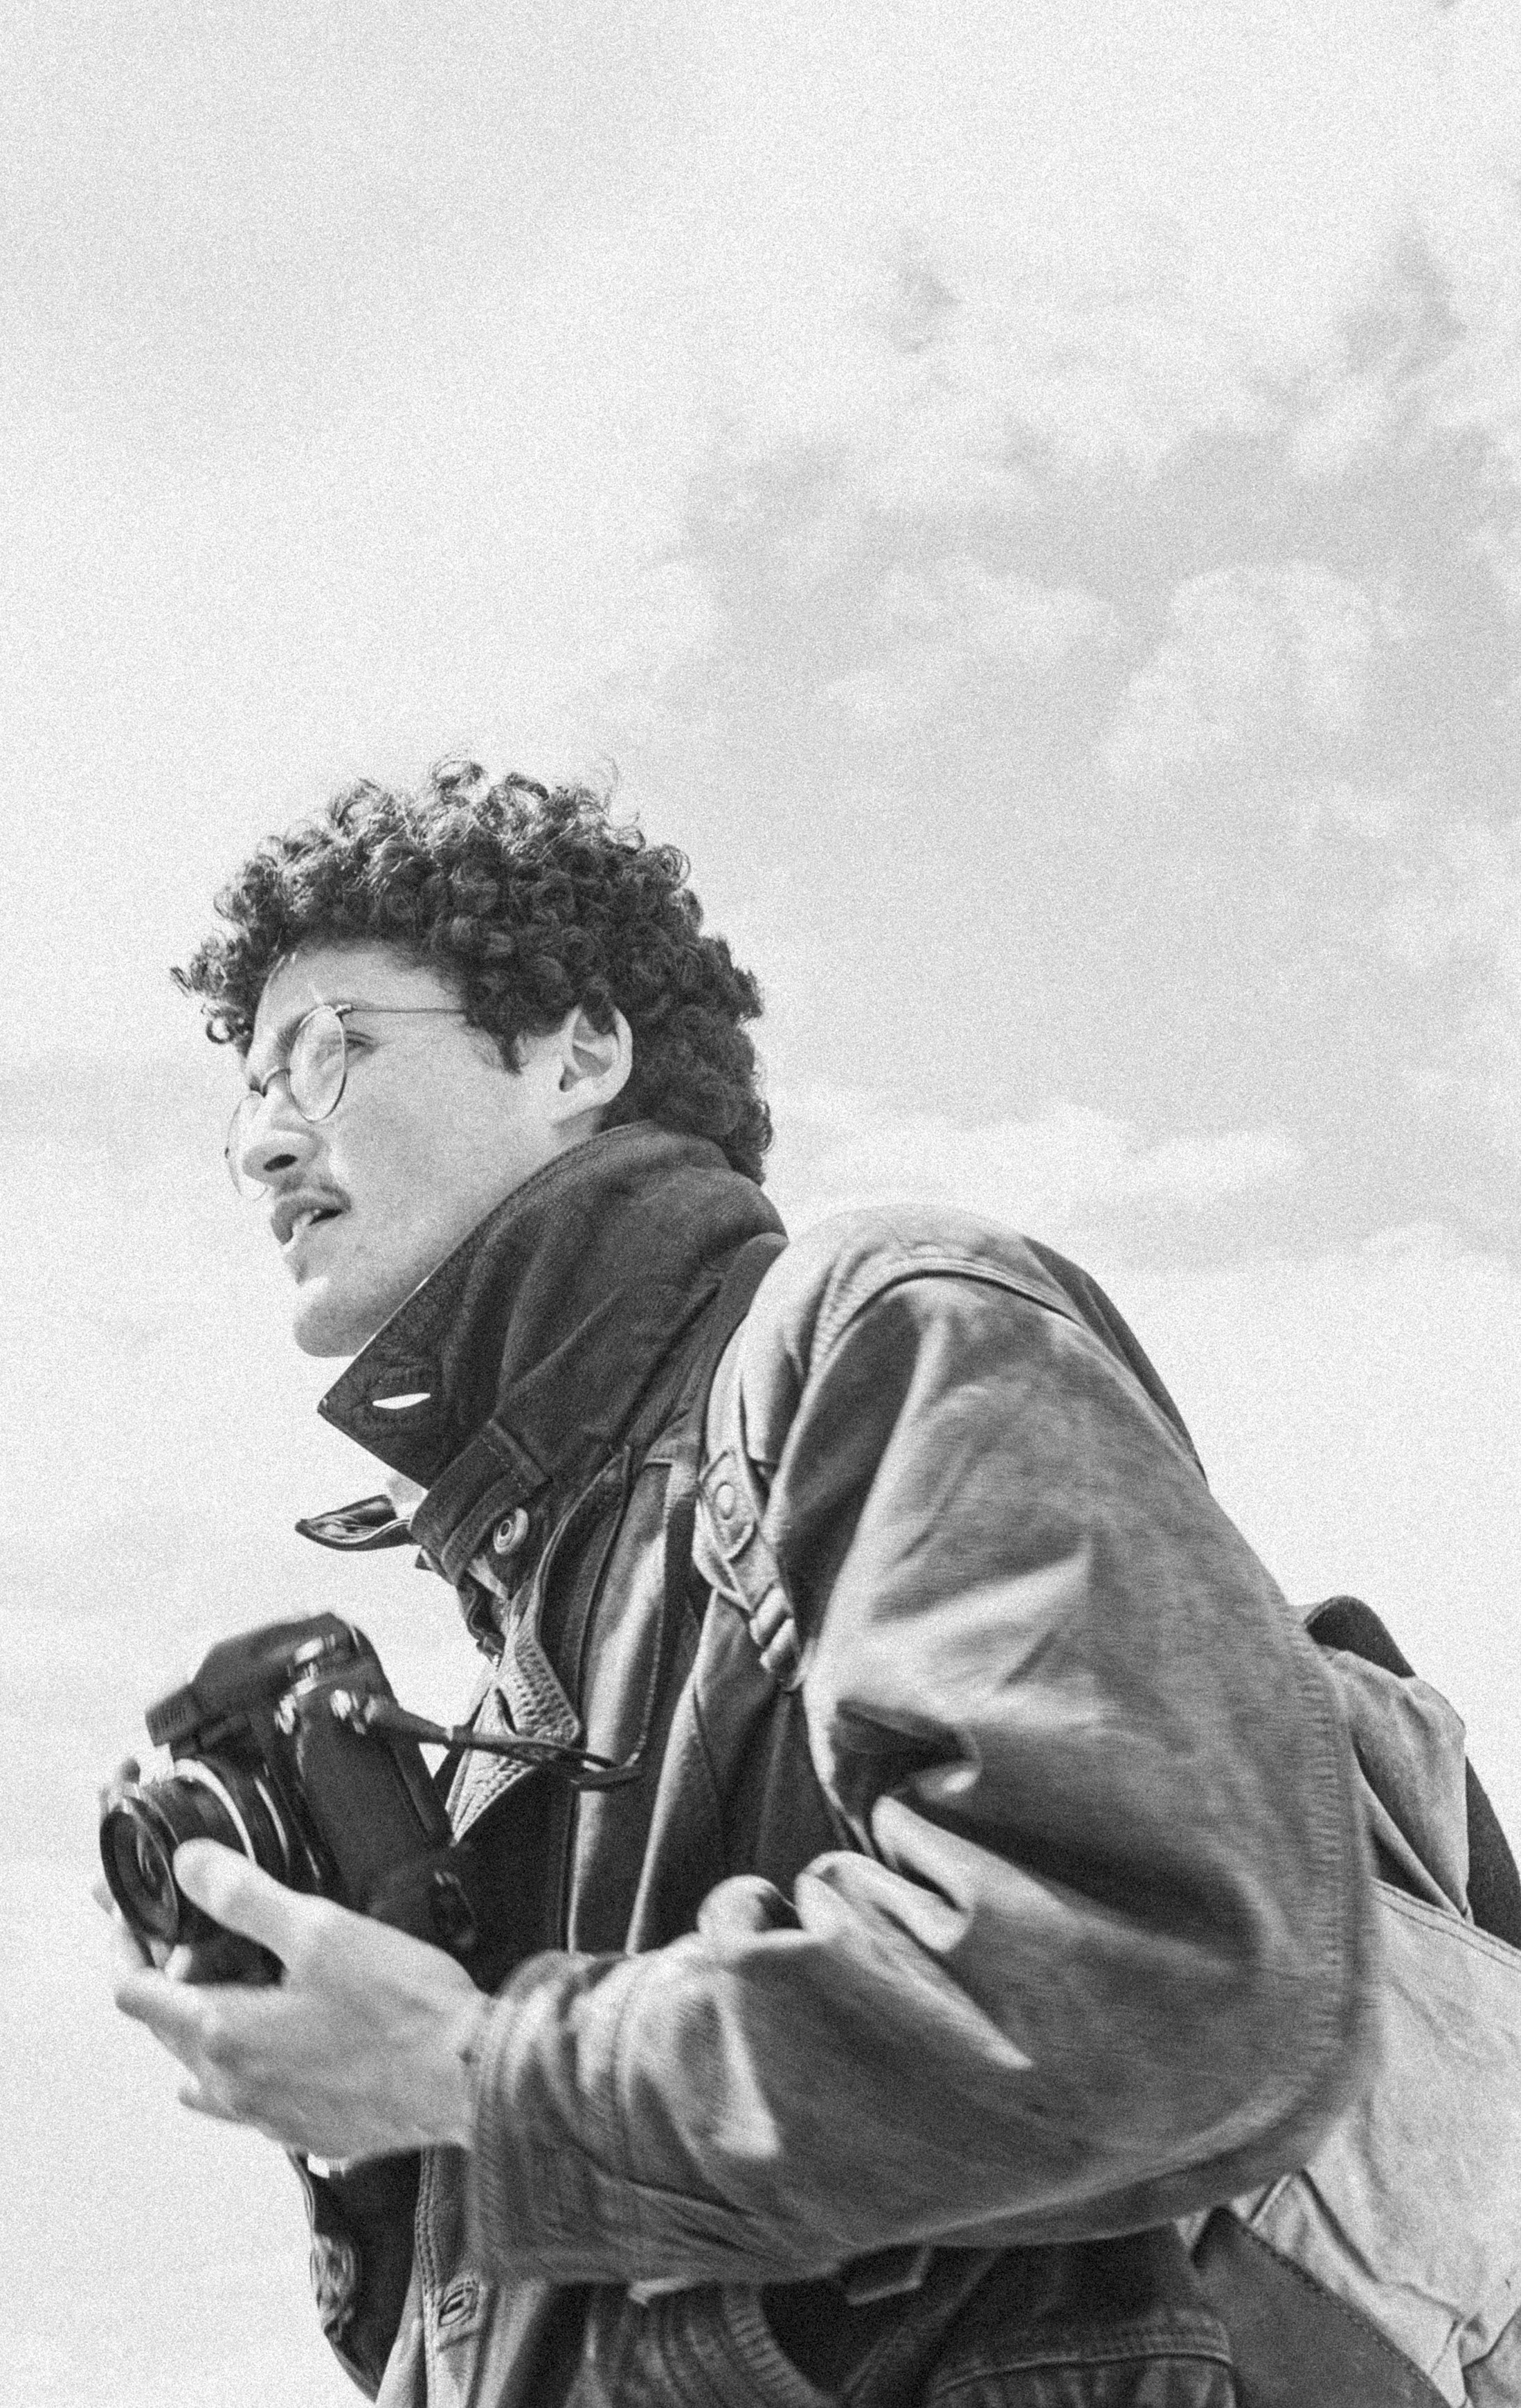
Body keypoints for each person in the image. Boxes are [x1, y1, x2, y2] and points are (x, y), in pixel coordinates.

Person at [106, 759, 1377, 2408]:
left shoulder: (878, 1331)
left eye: (321, 1053)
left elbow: (1173, 1980)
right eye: (244, 1103)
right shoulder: (531, 1644)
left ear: (577, 1049)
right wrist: (357, 2122)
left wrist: (474, 2072)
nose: (267, 1144)